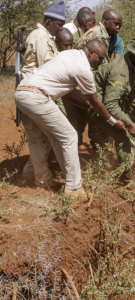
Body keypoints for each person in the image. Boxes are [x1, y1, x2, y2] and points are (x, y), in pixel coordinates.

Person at [15, 39, 126, 198]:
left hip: (23, 92)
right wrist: (113, 121)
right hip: (37, 96)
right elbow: (95, 102)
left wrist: (85, 100)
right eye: (101, 58)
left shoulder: (70, 54)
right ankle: (74, 189)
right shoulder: (84, 69)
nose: (102, 62)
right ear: (90, 54)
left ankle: (44, 180)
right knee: (70, 136)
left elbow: (68, 88)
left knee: (50, 137)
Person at [84, 38, 135, 185]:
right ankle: (126, 174)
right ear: (133, 55)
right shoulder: (120, 73)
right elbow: (110, 105)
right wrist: (128, 123)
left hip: (107, 102)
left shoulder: (134, 66)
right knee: (122, 133)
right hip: (95, 106)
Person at [20, 0, 66, 184]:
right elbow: (48, 69)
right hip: (33, 93)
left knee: (42, 138)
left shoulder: (44, 36)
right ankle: (43, 181)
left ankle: (29, 174)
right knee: (39, 138)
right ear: (49, 21)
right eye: (59, 24)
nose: (61, 28)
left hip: (37, 92)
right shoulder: (40, 37)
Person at [68, 9, 123, 151]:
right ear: (106, 21)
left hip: (83, 81)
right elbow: (101, 68)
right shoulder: (98, 35)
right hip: (82, 83)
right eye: (116, 24)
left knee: (90, 121)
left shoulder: (102, 33)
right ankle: (100, 154)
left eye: (119, 25)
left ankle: (97, 150)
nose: (117, 28)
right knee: (97, 117)